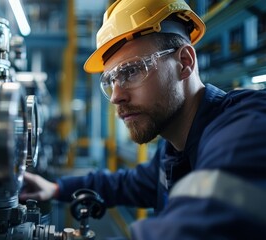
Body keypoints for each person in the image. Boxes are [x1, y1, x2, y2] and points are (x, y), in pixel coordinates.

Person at [19, 0, 266, 239]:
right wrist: (56, 189)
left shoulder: (246, 131)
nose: (116, 96)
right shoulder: (173, 150)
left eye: (132, 71)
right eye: (111, 81)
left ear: (185, 63)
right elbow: (127, 184)